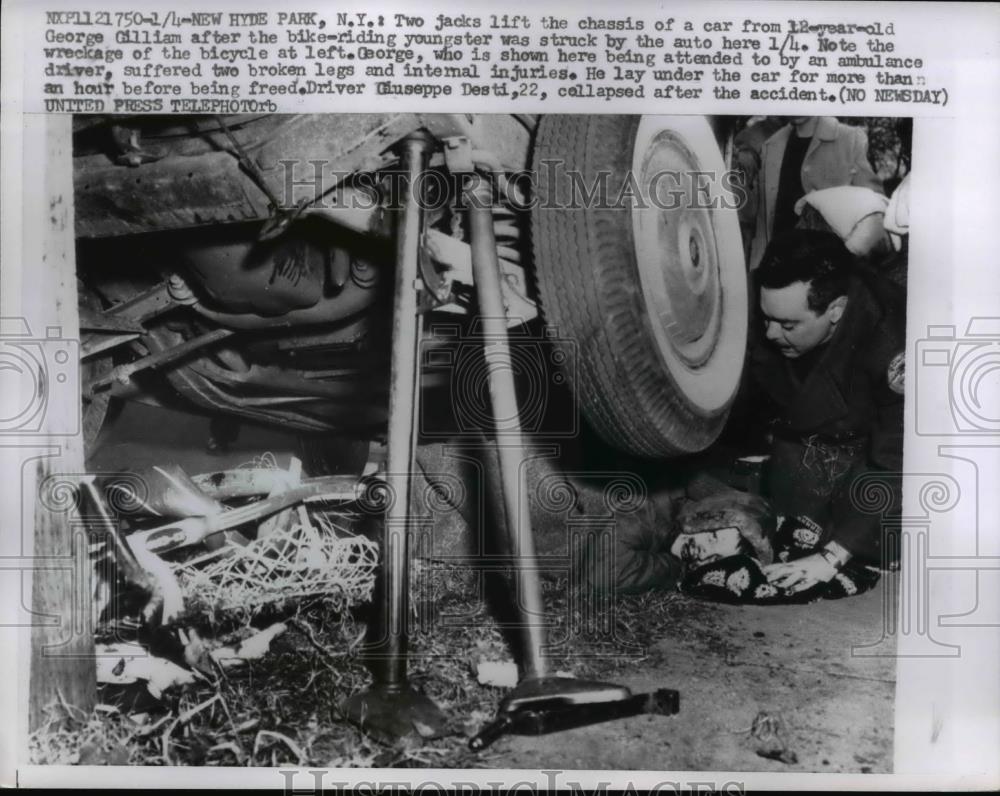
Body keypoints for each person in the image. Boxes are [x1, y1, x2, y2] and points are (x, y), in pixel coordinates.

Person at [746, 229, 905, 594]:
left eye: (788, 326)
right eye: (766, 319)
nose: (770, 333)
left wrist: (832, 556)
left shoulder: (891, 338)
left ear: (836, 310)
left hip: (870, 455)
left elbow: (896, 457)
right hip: (800, 440)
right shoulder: (772, 296)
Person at [749, 117, 883, 271]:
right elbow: (762, 221)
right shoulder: (771, 145)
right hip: (780, 272)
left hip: (829, 271)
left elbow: (873, 207)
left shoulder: (849, 139)